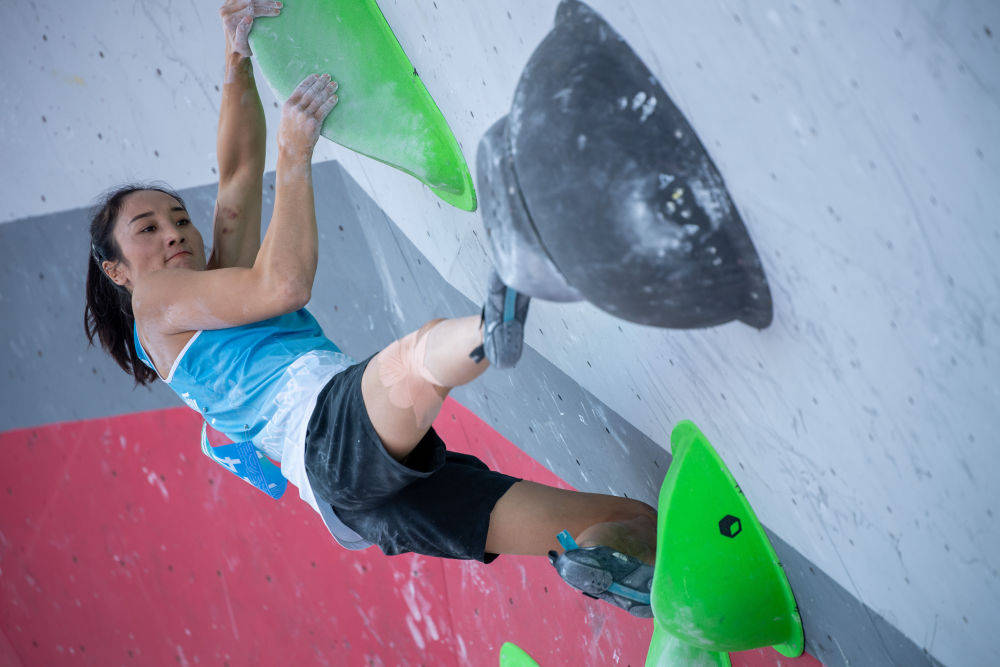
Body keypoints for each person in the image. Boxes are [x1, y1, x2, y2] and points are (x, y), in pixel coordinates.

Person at [83, 0, 657, 617]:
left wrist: (236, 58)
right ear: (116, 269)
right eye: (147, 230)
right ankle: (496, 320)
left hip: (362, 502)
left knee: (626, 519)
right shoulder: (152, 301)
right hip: (330, 439)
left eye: (178, 219)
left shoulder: (209, 290)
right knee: (417, 356)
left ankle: (607, 568)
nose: (173, 233)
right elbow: (283, 287)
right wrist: (298, 151)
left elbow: (238, 174)